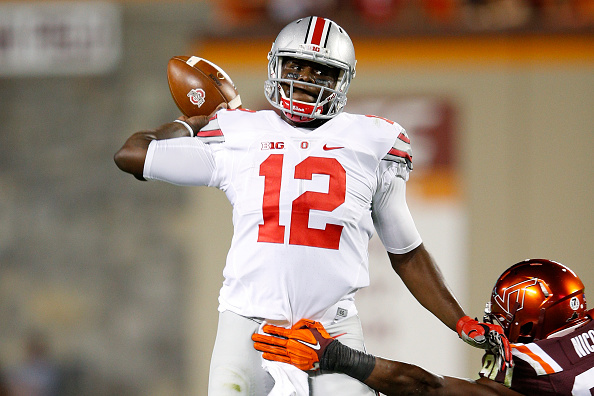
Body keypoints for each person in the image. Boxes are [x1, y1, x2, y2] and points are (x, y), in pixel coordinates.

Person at [114, 15, 509, 395]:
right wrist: (195, 121)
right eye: (297, 66)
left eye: (322, 72)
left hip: (331, 330)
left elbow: (406, 252)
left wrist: (460, 322)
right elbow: (132, 154)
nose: (305, 79)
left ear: (344, 80)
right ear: (275, 65)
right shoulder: (239, 132)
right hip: (248, 323)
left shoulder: (373, 142)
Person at [253, 258, 594, 395]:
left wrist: (340, 357)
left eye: (504, 317)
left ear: (530, 320)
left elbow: (430, 389)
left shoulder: (537, 367)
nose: (496, 327)